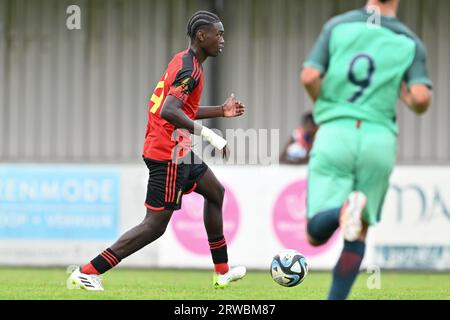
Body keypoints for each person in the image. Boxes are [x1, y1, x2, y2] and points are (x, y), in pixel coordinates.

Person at [68, 11, 247, 291]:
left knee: (215, 192)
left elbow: (181, 109)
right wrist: (210, 133)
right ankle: (88, 272)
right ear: (202, 36)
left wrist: (220, 112)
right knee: (154, 226)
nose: (222, 39)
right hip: (167, 153)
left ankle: (222, 271)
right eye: (219, 33)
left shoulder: (185, 61)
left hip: (179, 150)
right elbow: (169, 110)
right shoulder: (190, 70)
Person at [301, 0, 432, 300]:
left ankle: (340, 211)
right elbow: (421, 98)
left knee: (314, 233)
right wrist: (406, 95)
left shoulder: (337, 27)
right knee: (358, 232)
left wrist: (324, 101)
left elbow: (309, 76)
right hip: (378, 138)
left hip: (336, 131)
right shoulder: (409, 40)